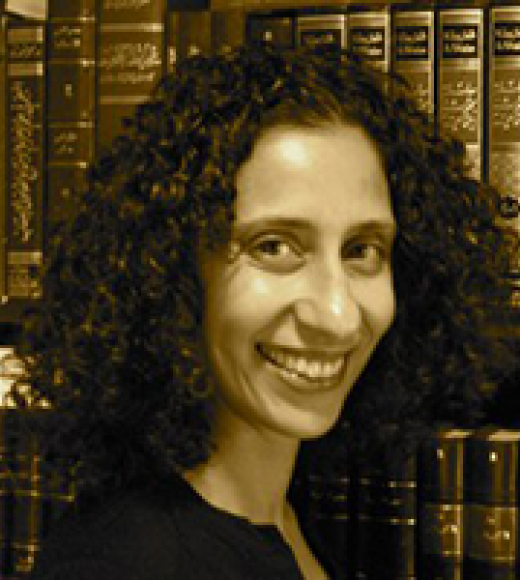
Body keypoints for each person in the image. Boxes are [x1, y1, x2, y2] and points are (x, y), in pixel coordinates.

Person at [11, 42, 518, 579]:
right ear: (169, 271)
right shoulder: (119, 564)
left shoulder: (293, 519)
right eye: (274, 247)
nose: (338, 314)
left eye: (361, 250)